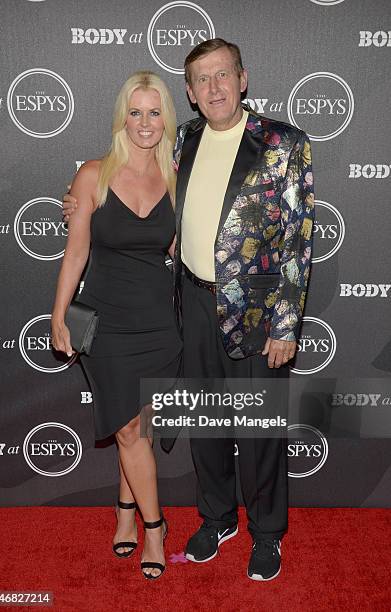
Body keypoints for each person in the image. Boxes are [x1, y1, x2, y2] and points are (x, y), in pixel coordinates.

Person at [63, 38, 314, 582]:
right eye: (202, 79)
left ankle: (266, 533)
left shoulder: (282, 142)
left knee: (258, 428)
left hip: (255, 310)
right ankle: (217, 518)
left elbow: (298, 240)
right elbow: (128, 181)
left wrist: (286, 324)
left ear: (242, 79)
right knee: (206, 424)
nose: (214, 87)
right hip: (190, 303)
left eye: (223, 75)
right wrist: (78, 197)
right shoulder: (184, 139)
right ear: (191, 93)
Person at [51, 70, 182, 580]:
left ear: (166, 116)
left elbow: (181, 248)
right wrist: (59, 315)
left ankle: (125, 513)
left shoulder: (176, 176)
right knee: (128, 427)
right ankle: (156, 528)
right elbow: (75, 253)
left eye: (154, 112)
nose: (145, 123)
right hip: (108, 324)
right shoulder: (93, 174)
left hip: (160, 325)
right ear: (121, 117)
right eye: (135, 112)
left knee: (137, 429)